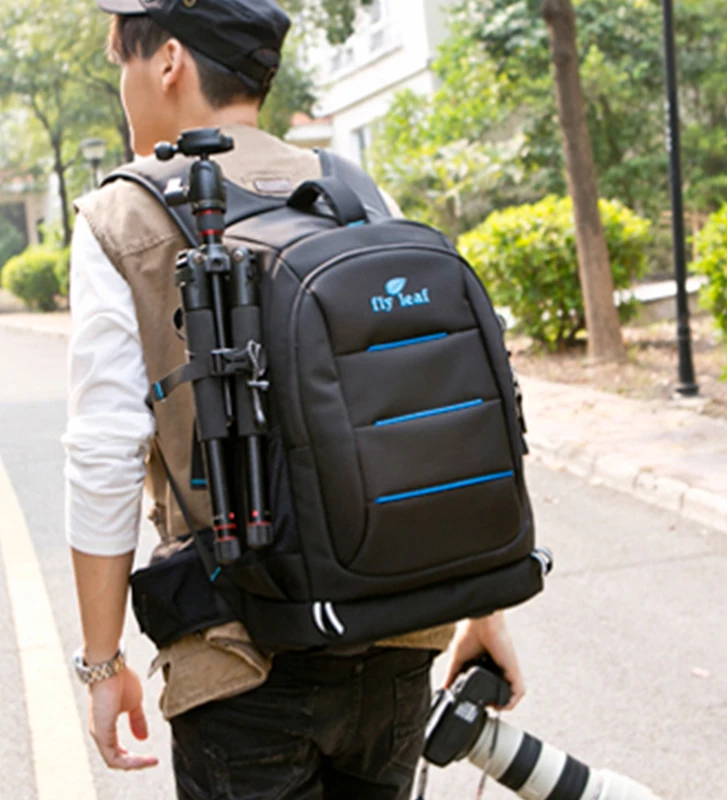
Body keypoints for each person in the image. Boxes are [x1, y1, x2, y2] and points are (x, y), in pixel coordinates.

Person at [65, 1, 525, 797]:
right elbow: (428, 403)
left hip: (241, 664)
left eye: (123, 64)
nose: (124, 85)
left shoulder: (123, 215)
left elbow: (104, 454)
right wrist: (480, 612)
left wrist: (103, 664)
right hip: (396, 640)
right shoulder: (349, 187)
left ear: (167, 61)